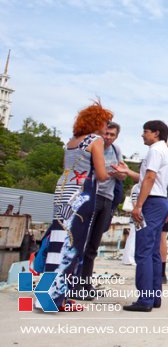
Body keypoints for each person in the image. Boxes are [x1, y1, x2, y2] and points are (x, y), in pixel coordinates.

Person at [43, 101, 113, 311]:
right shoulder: (96, 140)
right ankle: (57, 300)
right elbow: (100, 174)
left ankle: (46, 297)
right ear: (96, 122)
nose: (107, 127)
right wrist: (116, 173)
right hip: (81, 194)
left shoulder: (72, 141)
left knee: (57, 244)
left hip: (63, 191)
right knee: (73, 245)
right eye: (105, 122)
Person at [115, 120, 168, 312]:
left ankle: (145, 299)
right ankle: (154, 297)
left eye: (145, 131)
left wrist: (138, 205)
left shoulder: (155, 151)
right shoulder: (165, 151)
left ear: (156, 133)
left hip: (151, 203)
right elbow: (149, 179)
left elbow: (149, 178)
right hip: (160, 201)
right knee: (154, 252)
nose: (142, 135)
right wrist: (128, 171)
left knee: (143, 251)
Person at [77, 121, 125, 300]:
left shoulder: (116, 150)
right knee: (83, 240)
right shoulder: (93, 145)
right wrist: (106, 172)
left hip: (108, 197)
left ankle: (86, 283)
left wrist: (118, 173)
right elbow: (90, 172)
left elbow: (122, 173)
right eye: (106, 133)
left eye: (112, 135)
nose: (108, 137)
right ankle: (75, 283)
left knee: (93, 245)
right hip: (92, 195)